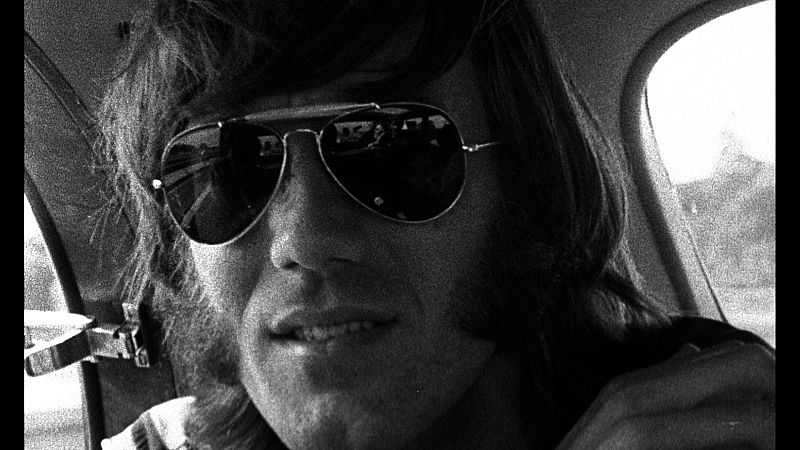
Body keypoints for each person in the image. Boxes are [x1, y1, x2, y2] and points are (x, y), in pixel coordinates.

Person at [97, 0, 775, 449]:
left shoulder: (705, 411)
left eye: (394, 150)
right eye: (229, 169)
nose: (304, 240)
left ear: (528, 195)